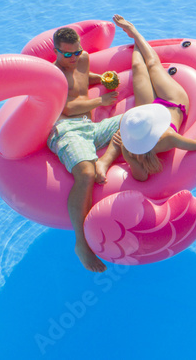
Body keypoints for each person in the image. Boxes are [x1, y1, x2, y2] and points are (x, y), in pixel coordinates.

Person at [111, 14, 196, 181]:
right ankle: (135, 37)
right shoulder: (135, 139)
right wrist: (127, 154)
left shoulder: (167, 136)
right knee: (138, 67)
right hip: (154, 109)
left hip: (172, 102)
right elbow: (141, 177)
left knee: (151, 65)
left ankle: (134, 32)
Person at [46, 27, 121, 272]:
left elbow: (81, 77)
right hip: (65, 128)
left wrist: (102, 79)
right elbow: (66, 108)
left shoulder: (83, 58)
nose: (74, 58)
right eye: (68, 54)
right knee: (86, 174)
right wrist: (101, 100)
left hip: (89, 127)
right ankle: (81, 244)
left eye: (77, 51)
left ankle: (106, 161)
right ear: (56, 51)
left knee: (135, 120)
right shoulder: (52, 74)